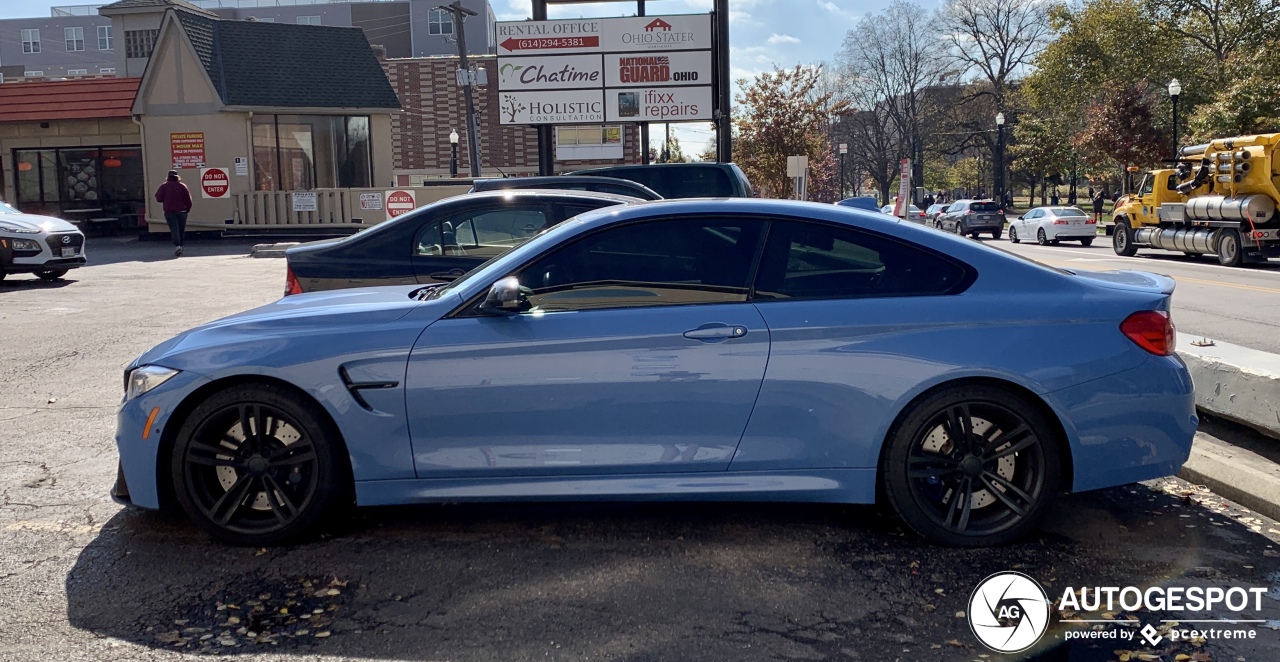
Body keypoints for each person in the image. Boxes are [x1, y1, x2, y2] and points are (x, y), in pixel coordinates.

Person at [155, 170, 193, 257]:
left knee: (174, 229)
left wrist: (167, 199)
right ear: (177, 177)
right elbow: (188, 200)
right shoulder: (182, 186)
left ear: (168, 177)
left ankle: (177, 246)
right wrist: (187, 209)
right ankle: (181, 245)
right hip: (182, 211)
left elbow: (158, 198)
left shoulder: (164, 186)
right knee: (181, 229)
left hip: (170, 211)